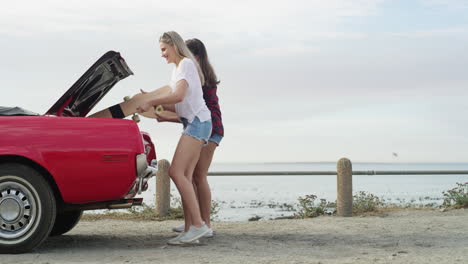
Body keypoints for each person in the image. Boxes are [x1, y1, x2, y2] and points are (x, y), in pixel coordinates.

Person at [136, 31, 212, 245]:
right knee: (185, 176)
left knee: (176, 172)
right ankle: (191, 230)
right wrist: (150, 101)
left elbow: (178, 95)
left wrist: (152, 100)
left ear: (174, 46)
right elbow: (177, 103)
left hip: (197, 122)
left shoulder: (186, 64)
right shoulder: (179, 68)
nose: (162, 54)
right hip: (197, 122)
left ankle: (198, 225)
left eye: (163, 49)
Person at [168, 38, 223, 237]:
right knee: (189, 176)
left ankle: (204, 224)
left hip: (212, 129)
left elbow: (196, 108)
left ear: (196, 56)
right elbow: (185, 110)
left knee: (199, 176)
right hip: (203, 126)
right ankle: (192, 222)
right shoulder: (195, 74)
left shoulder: (201, 77)